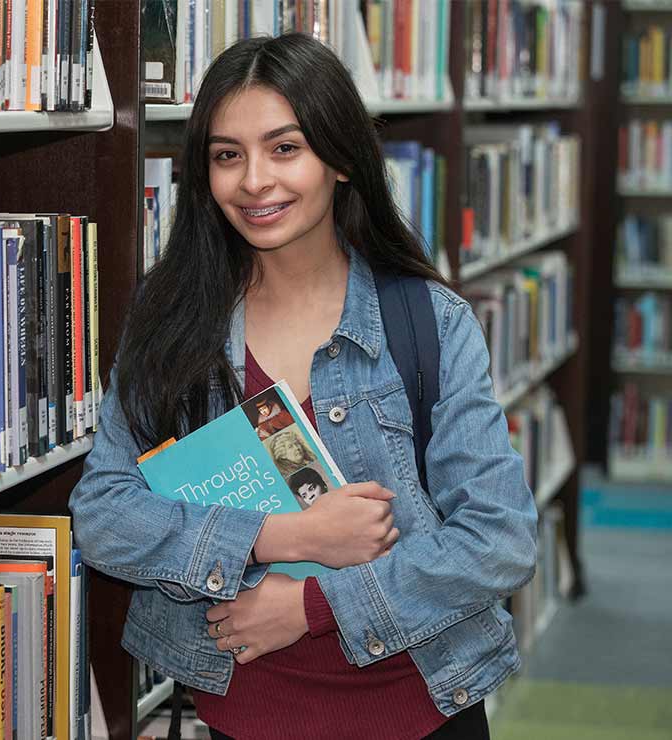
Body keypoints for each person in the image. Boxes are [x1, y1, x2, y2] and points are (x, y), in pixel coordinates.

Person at [69, 33, 536, 740]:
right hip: (244, 714)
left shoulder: (428, 323)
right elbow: (103, 515)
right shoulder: (169, 322)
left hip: (418, 709)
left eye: (284, 148)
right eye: (227, 155)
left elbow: (498, 538)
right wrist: (279, 536)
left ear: (341, 159)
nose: (254, 181)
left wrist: (315, 606)